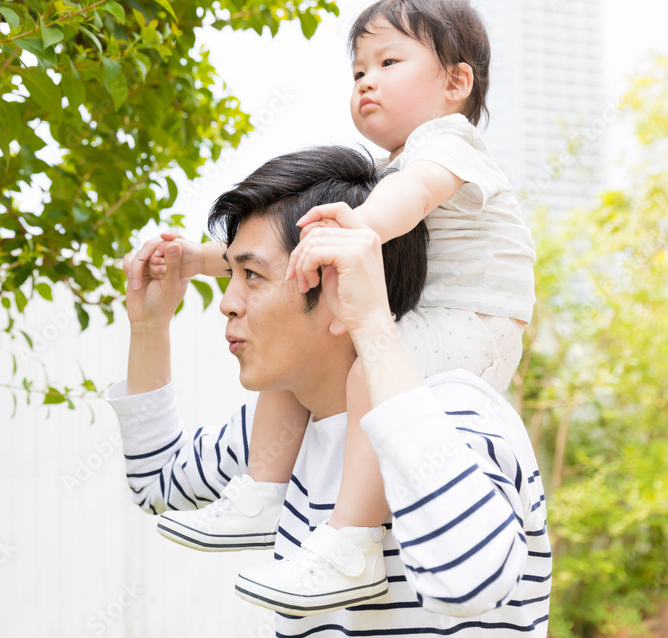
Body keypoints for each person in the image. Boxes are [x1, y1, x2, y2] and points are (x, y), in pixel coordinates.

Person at [132, 0, 537, 613]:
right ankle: (262, 491)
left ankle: (351, 543)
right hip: (423, 323)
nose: (366, 82)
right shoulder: (306, 398)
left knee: (365, 376)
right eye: (357, 71)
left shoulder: (448, 146)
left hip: (476, 324)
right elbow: (155, 483)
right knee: (319, 375)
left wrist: (358, 228)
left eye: (388, 63)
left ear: (458, 81)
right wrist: (187, 273)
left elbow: (400, 206)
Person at [108, 145, 550, 635]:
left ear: (340, 285)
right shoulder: (279, 441)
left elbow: (472, 582)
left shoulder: (453, 417)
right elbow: (156, 484)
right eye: (230, 274)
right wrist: (149, 326)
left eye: (252, 275)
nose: (227, 303)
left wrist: (374, 330)